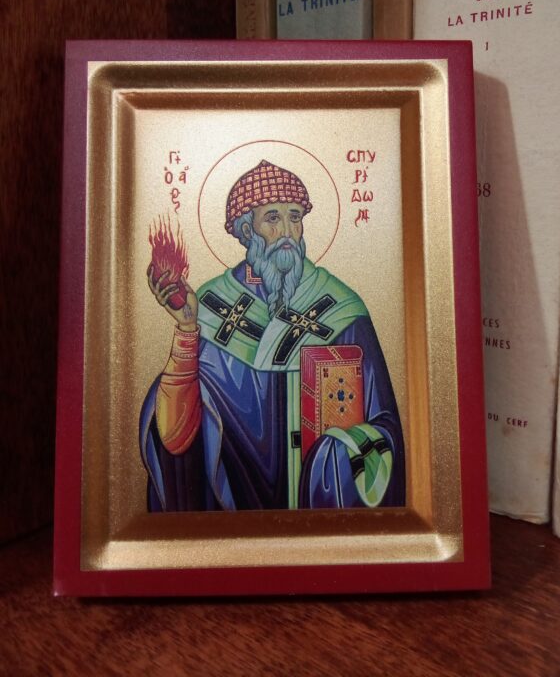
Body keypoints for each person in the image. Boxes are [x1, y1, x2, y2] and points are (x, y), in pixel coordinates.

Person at [140, 160, 405, 511]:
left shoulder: (342, 308)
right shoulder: (213, 305)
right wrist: (188, 328)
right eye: (273, 218)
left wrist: (341, 455)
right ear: (246, 230)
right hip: (233, 510)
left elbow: (383, 424)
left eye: (295, 217)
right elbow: (177, 435)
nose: (287, 232)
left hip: (315, 502)